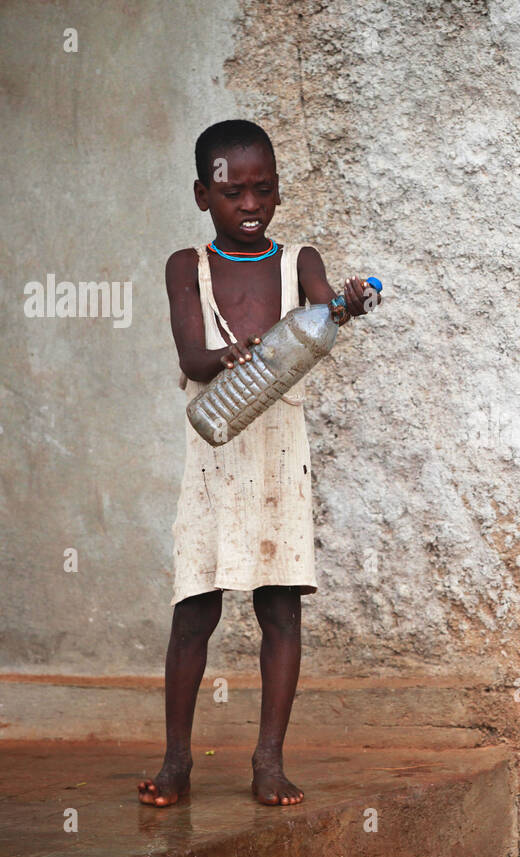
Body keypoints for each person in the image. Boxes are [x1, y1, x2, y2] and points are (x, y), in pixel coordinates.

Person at [138, 119, 378, 807]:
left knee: (280, 609)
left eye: (264, 190)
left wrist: (347, 304)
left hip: (277, 450)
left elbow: (322, 309)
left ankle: (268, 761)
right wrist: (226, 358)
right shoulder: (188, 266)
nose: (250, 206)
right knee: (194, 611)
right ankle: (177, 762)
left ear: (278, 192)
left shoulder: (297, 260)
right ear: (200, 194)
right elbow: (191, 359)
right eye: (233, 192)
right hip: (214, 450)